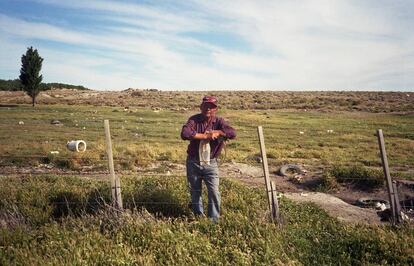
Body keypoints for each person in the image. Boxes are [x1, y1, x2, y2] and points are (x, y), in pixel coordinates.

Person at [181, 96, 236, 221]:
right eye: (205, 106)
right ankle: (198, 217)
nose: (208, 109)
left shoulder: (219, 121)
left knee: (214, 191)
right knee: (195, 191)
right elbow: (185, 133)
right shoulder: (193, 120)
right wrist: (204, 136)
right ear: (201, 107)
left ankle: (213, 220)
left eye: (211, 107)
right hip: (193, 161)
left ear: (215, 109)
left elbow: (232, 133)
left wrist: (219, 133)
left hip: (211, 163)